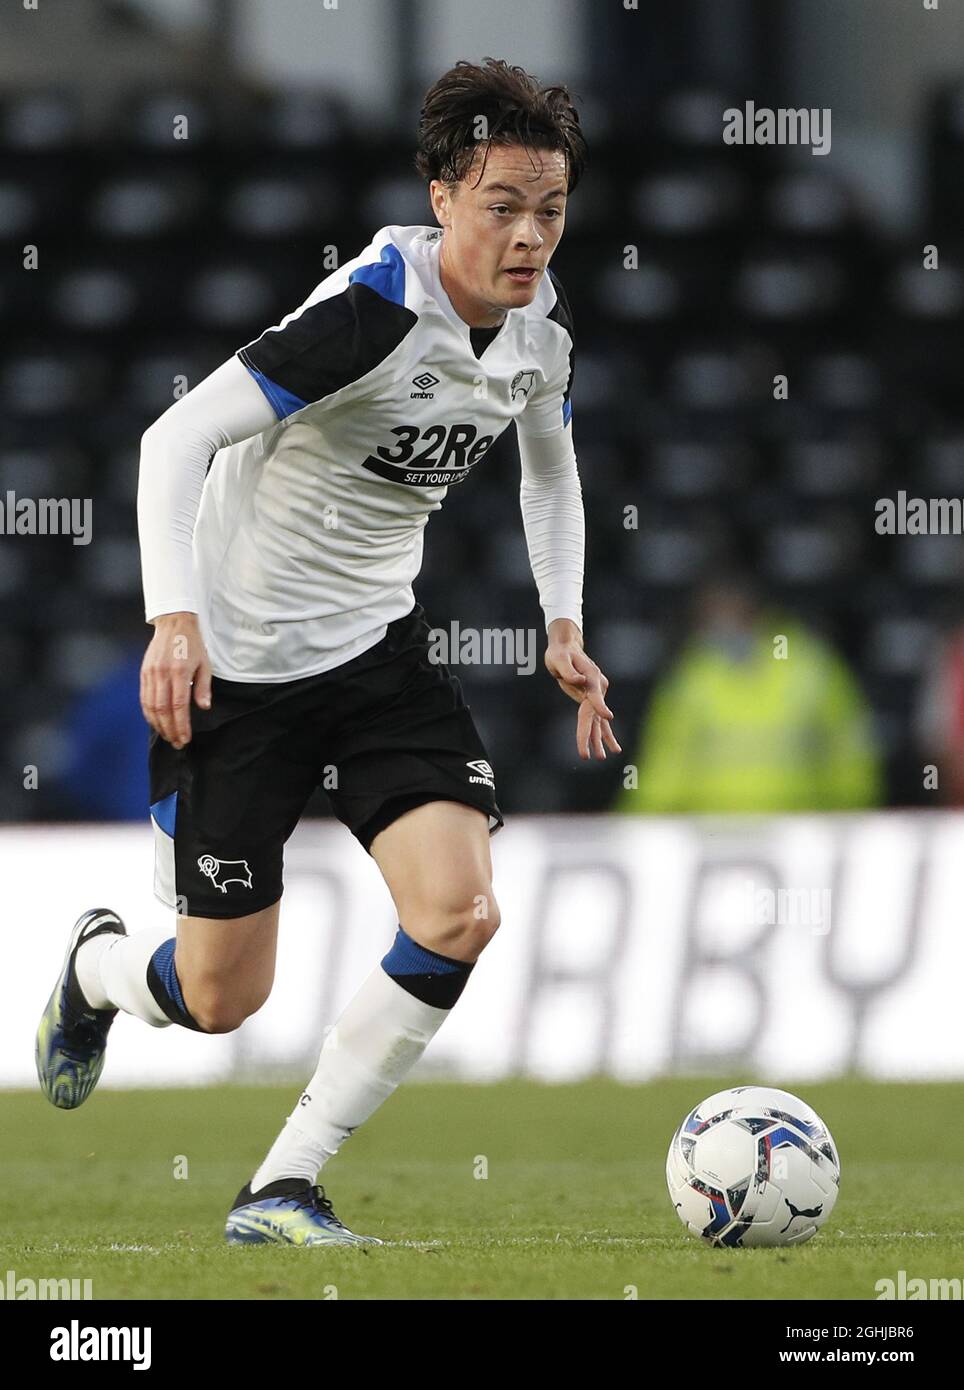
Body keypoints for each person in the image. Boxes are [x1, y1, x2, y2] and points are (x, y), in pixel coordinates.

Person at [36, 58, 620, 1246]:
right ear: (443, 192)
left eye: (550, 208)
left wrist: (564, 620)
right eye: (502, 203)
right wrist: (172, 617)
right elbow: (172, 438)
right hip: (239, 672)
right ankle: (101, 969)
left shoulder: (540, 336)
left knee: (459, 910)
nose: (528, 235)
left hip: (374, 659)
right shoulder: (369, 316)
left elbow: (551, 474)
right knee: (215, 997)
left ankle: (281, 1185)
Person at [616, 575, 882, 814]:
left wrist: (851, 819)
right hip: (713, 837)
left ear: (753, 610)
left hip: (800, 833)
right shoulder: (694, 675)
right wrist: (634, 827)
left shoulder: (811, 667)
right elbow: (665, 766)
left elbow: (851, 757)